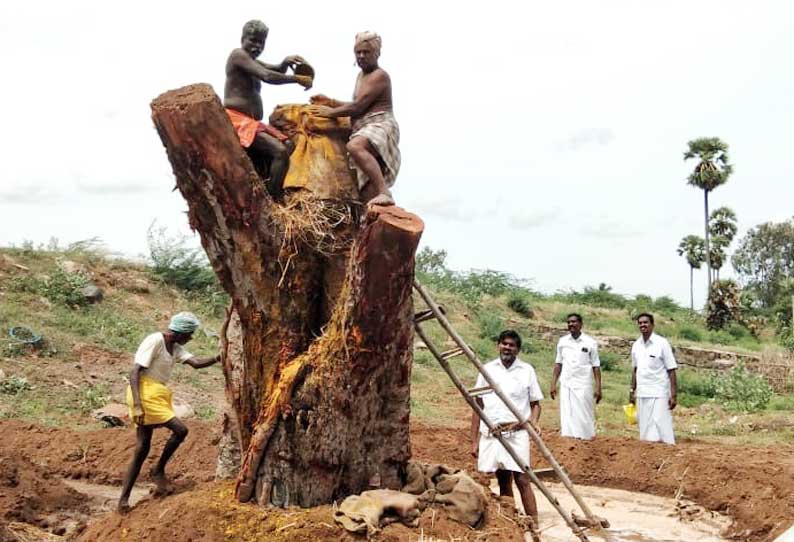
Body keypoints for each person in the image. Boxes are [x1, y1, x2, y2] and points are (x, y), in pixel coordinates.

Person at [117, 312, 220, 513]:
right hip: (144, 392)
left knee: (142, 448)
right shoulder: (155, 340)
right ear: (180, 332)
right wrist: (137, 404)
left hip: (157, 394)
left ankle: (123, 499)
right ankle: (157, 470)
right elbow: (135, 371)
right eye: (189, 334)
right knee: (180, 430)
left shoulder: (175, 347)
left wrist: (219, 357)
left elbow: (196, 363)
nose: (190, 338)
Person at [308, 31, 400, 207]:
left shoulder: (379, 76)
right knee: (362, 182)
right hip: (363, 126)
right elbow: (357, 104)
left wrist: (330, 112)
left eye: (366, 52)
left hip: (380, 124)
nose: (361, 56)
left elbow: (357, 107)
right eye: (358, 52)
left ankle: (384, 192)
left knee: (354, 146)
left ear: (377, 53)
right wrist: (332, 102)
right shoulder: (361, 76)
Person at [224, 19, 313, 199]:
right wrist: (296, 79)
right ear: (243, 38)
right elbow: (267, 76)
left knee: (288, 144)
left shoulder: (251, 60)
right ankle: (273, 198)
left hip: (251, 122)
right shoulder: (238, 55)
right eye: (253, 40)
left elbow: (274, 69)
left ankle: (268, 183)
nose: (257, 46)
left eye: (261, 42)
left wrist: (285, 63)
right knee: (279, 152)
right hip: (237, 119)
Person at [470, 330, 543, 538]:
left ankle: (534, 526)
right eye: (504, 344)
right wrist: (474, 441)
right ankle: (510, 524)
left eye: (511, 345)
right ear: (498, 345)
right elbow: (478, 405)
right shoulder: (487, 369)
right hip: (492, 433)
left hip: (516, 432)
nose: (507, 348)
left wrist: (532, 421)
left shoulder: (526, 370)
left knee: (522, 479)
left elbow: (536, 404)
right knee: (502, 479)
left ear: (517, 349)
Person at [549, 313, 602, 439]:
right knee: (567, 412)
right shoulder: (563, 342)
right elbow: (558, 364)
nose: (571, 324)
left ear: (581, 324)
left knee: (584, 413)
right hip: (566, 383)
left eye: (574, 322)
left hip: (583, 384)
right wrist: (553, 384)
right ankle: (569, 439)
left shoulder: (590, 342)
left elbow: (596, 366)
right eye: (569, 322)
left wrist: (598, 387)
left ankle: (586, 438)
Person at [629, 313, 678, 444]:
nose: (642, 325)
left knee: (661, 422)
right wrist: (632, 390)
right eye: (640, 323)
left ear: (652, 324)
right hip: (642, 391)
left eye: (645, 322)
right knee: (645, 424)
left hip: (659, 391)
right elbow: (635, 369)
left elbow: (671, 369)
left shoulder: (662, 343)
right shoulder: (636, 345)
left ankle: (668, 449)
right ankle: (648, 453)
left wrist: (673, 395)